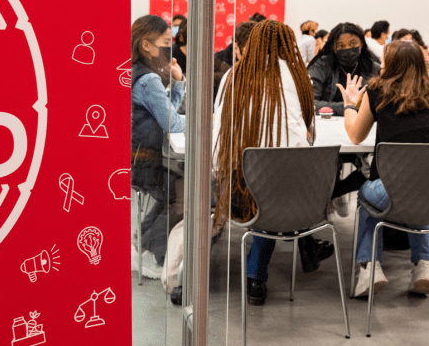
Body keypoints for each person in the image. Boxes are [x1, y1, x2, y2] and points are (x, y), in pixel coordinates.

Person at [213, 19, 334, 306]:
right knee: (279, 180)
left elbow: (218, 138)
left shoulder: (234, 76)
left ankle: (257, 277)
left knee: (264, 181)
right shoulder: (299, 79)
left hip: (239, 196)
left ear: (250, 44)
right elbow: (307, 136)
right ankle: (272, 265)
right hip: (301, 200)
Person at [337, 41, 429, 296]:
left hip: (389, 191)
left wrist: (349, 105)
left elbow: (355, 136)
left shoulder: (378, 91)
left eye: (385, 61)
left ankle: (369, 267)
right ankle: (423, 265)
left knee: (368, 196)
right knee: (416, 192)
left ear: (391, 65)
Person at [130, 15, 187, 279]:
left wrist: (177, 82)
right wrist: (203, 120)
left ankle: (139, 246)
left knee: (177, 191)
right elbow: (172, 123)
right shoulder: (149, 80)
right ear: (146, 45)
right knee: (184, 194)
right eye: (165, 42)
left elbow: (168, 116)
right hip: (148, 159)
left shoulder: (135, 72)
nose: (169, 49)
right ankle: (152, 251)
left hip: (138, 156)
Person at [307, 22, 382, 205]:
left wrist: (355, 109)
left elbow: (379, 103)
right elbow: (309, 102)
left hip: (361, 130)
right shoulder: (321, 65)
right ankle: (325, 196)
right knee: (323, 161)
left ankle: (333, 193)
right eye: (340, 46)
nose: (347, 49)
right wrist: (350, 106)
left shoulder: (373, 68)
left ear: (362, 44)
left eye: (352, 43)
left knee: (372, 168)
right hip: (325, 130)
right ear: (332, 47)